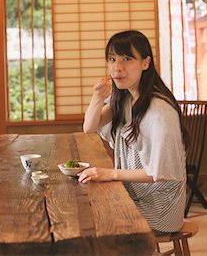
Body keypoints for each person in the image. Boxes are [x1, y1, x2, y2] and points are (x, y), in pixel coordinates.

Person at [79, 30, 187, 234]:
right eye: (112, 59)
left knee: (97, 220)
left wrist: (110, 174)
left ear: (145, 63)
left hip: (160, 207)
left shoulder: (160, 111)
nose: (117, 68)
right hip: (135, 193)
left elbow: (158, 172)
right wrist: (97, 98)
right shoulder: (125, 98)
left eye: (127, 59)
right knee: (86, 210)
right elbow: (89, 127)